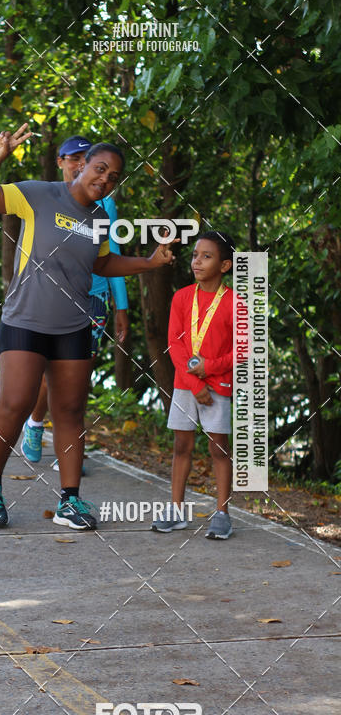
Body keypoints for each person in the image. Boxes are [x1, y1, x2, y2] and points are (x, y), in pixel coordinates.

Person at [0, 123, 176, 531]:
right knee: (15, 404)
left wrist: (148, 264)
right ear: (81, 166)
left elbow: (100, 264)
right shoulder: (40, 195)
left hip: (74, 325)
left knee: (69, 412)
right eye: (99, 169)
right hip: (26, 319)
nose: (104, 179)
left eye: (113, 177)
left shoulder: (99, 218)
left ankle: (70, 501)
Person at [21, 135, 129, 466]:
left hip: (93, 298)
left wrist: (121, 306)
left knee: (78, 375)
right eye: (74, 158)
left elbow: (113, 255)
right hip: (50, 296)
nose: (79, 164)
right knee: (47, 371)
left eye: (86, 158)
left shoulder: (105, 203)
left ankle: (70, 448)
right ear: (62, 162)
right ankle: (36, 423)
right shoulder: (46, 197)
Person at [153, 231, 236, 539]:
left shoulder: (235, 303)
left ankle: (222, 514)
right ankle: (175, 510)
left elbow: (242, 350)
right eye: (195, 255)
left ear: (225, 266)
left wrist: (209, 370)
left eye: (206, 256)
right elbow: (175, 345)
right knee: (181, 446)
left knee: (218, 448)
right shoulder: (182, 297)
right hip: (185, 385)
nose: (197, 261)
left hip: (220, 385)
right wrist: (193, 381)